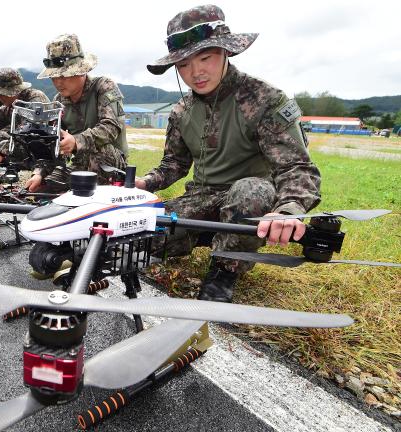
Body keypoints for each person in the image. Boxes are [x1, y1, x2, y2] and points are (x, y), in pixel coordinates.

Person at [137, 5, 321, 302]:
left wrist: (287, 211)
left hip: (250, 199)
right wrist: (144, 184)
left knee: (249, 191)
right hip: (201, 198)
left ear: (226, 52)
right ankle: (205, 234)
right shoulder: (181, 111)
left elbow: (297, 168)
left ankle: (224, 271)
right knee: (145, 237)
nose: (195, 73)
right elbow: (174, 164)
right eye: (183, 65)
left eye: (205, 58)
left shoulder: (264, 99)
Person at [24, 33, 128, 192]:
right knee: (44, 188)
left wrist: (76, 141)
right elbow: (52, 143)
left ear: (81, 71)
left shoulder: (103, 87)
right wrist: (40, 173)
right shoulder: (59, 101)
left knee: (98, 152)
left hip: (110, 164)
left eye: (64, 75)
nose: (58, 82)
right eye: (54, 76)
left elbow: (111, 127)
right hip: (80, 165)